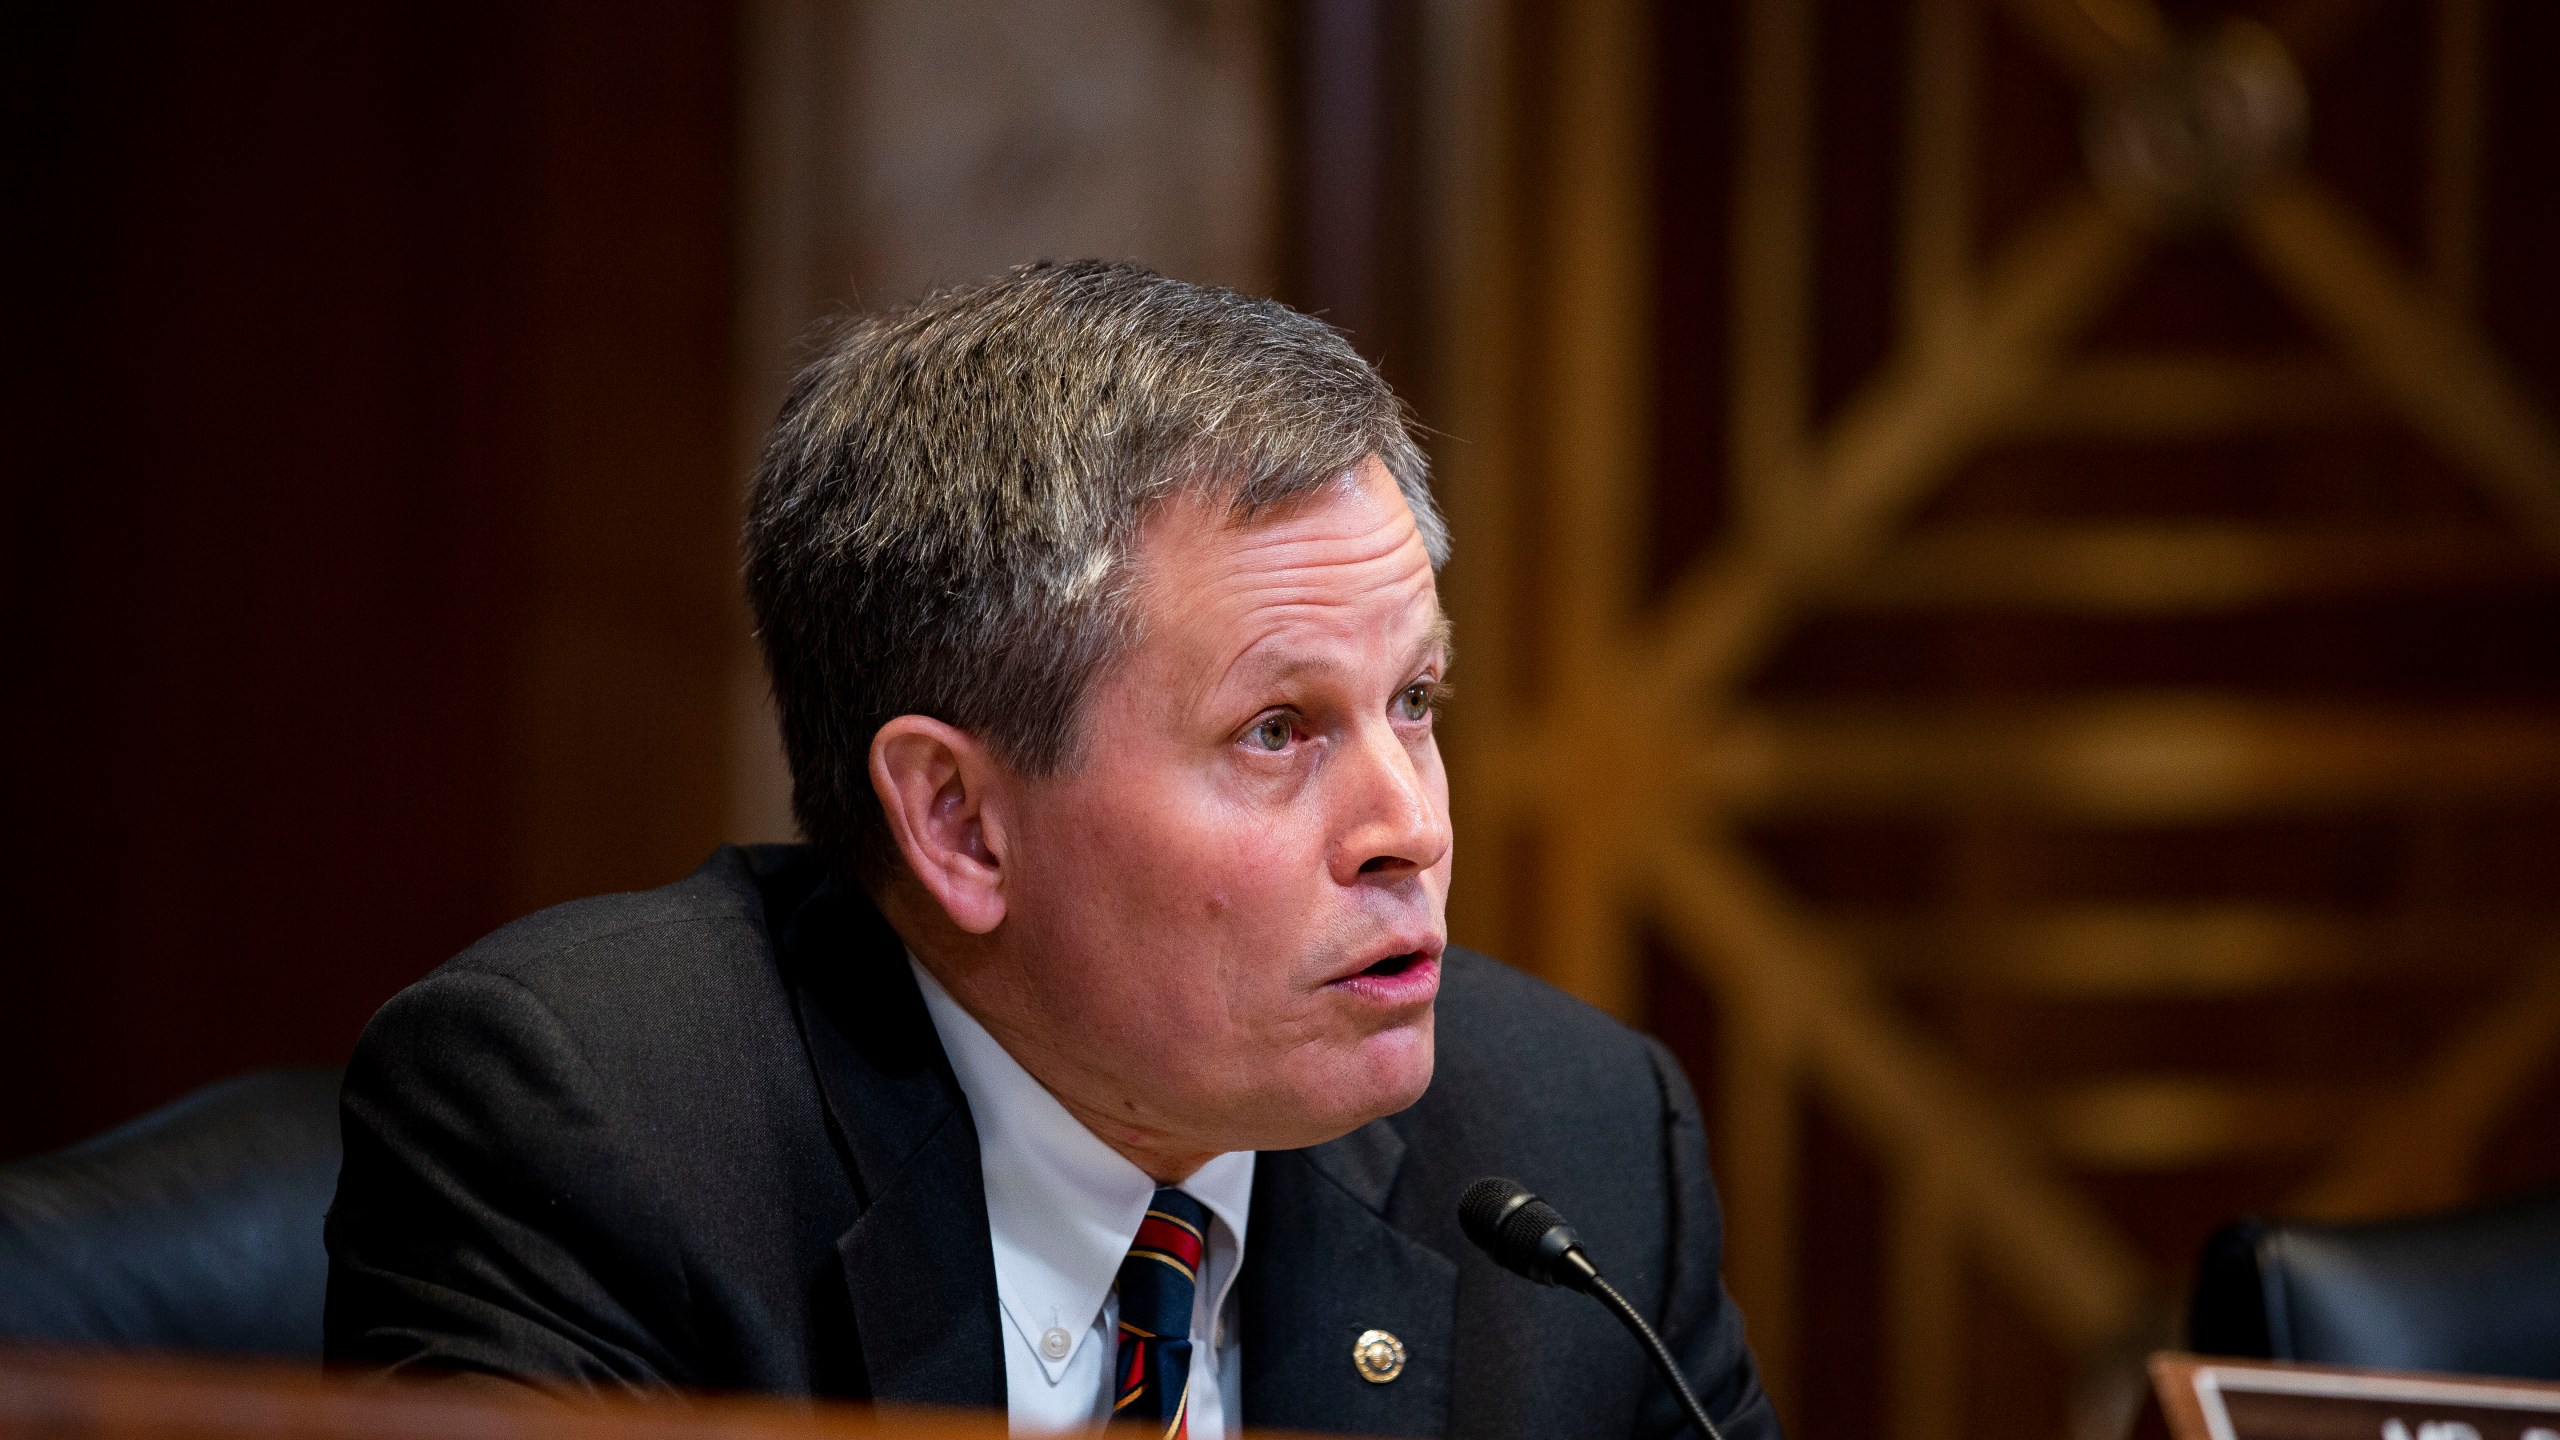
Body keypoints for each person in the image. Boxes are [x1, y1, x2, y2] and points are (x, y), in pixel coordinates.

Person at [323, 261, 1778, 1440]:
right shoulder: (600, 1129)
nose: (1413, 826)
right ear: (959, 822)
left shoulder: (1576, 1156)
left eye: (1415, 702)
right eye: (1278, 730)